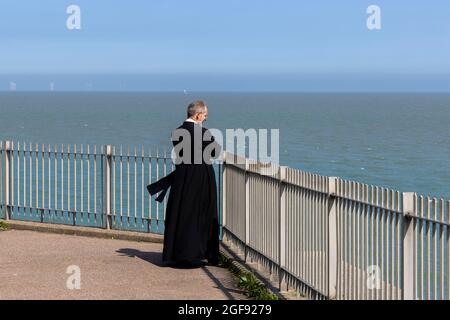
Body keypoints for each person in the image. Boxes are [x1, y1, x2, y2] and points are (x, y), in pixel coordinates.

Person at [147, 100, 221, 267]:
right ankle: (200, 253)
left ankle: (177, 254)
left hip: (182, 176)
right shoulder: (204, 133)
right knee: (203, 213)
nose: (205, 119)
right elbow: (215, 151)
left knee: (181, 212)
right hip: (202, 176)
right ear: (197, 115)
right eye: (205, 116)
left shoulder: (177, 132)